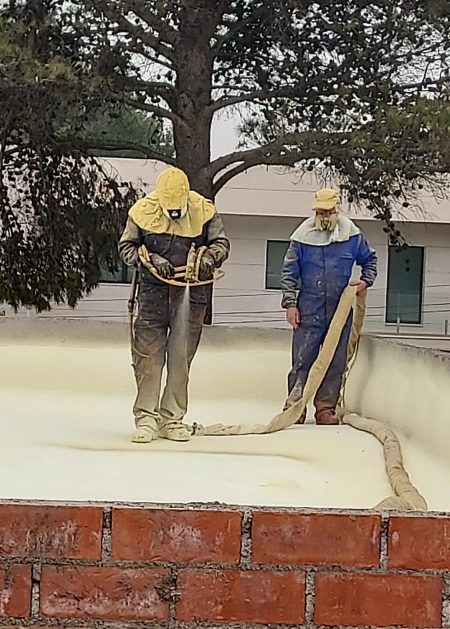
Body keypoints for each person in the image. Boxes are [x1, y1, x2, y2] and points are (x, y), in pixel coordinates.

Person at [119, 166, 230, 443]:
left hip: (190, 296)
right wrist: (151, 260)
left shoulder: (204, 211)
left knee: (180, 361)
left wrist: (210, 258)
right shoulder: (141, 212)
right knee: (148, 360)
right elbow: (127, 248)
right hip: (152, 296)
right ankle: (146, 418)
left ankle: (173, 418)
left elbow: (221, 243)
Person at [280, 188, 378, 425]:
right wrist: (290, 304)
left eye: (328, 211)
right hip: (308, 306)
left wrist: (365, 282)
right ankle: (295, 407)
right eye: (319, 211)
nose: (324, 215)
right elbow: (289, 272)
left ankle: (326, 408)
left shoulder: (352, 235)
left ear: (336, 210)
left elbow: (370, 260)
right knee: (303, 359)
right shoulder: (302, 237)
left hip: (340, 308)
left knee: (336, 360)